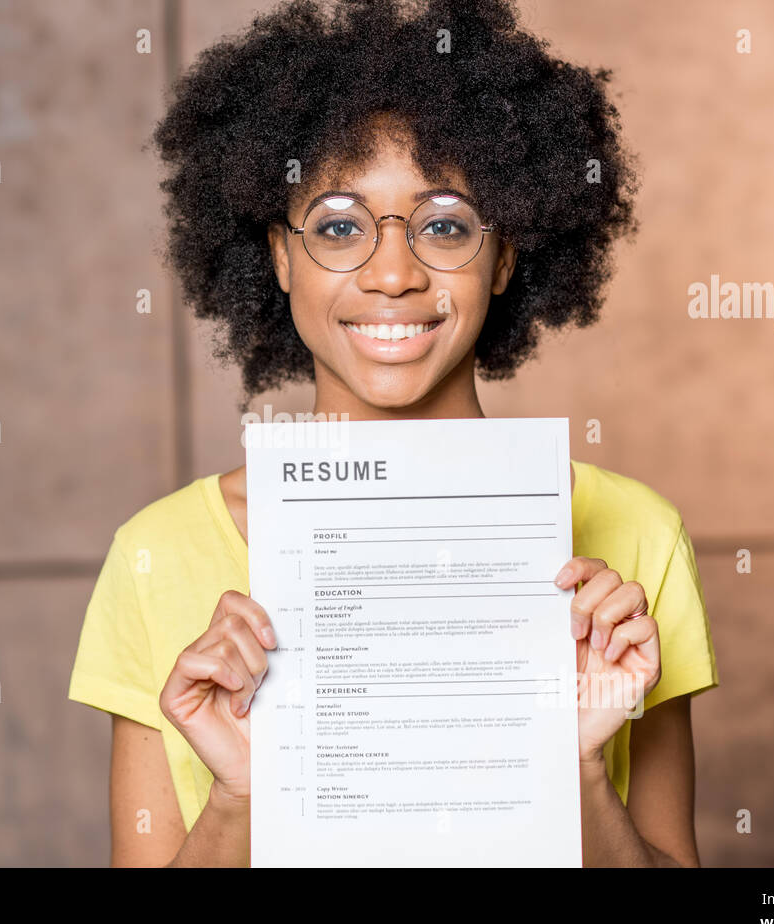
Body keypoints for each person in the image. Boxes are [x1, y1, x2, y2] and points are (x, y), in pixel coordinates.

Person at [68, 0, 718, 867]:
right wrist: (240, 802)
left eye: (444, 224)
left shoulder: (637, 537)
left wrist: (575, 769)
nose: (392, 273)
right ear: (280, 255)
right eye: (338, 225)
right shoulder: (157, 555)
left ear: (507, 254)